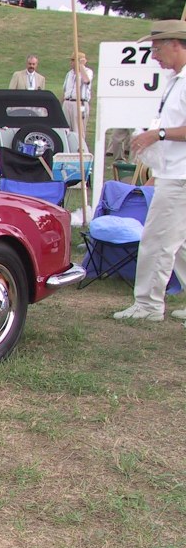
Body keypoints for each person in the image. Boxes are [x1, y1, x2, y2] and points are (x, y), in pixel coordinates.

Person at [113, 20, 186, 322]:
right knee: (180, 243)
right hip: (174, 170)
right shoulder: (176, 80)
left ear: (176, 45)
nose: (154, 56)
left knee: (158, 239)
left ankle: (148, 304)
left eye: (157, 49)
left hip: (180, 175)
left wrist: (158, 135)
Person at [63, 51, 93, 147]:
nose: (71, 62)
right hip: (67, 102)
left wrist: (81, 66)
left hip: (80, 103)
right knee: (66, 128)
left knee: (78, 129)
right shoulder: (69, 73)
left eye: (73, 60)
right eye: (71, 60)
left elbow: (86, 80)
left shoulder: (87, 72)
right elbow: (65, 90)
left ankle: (80, 150)